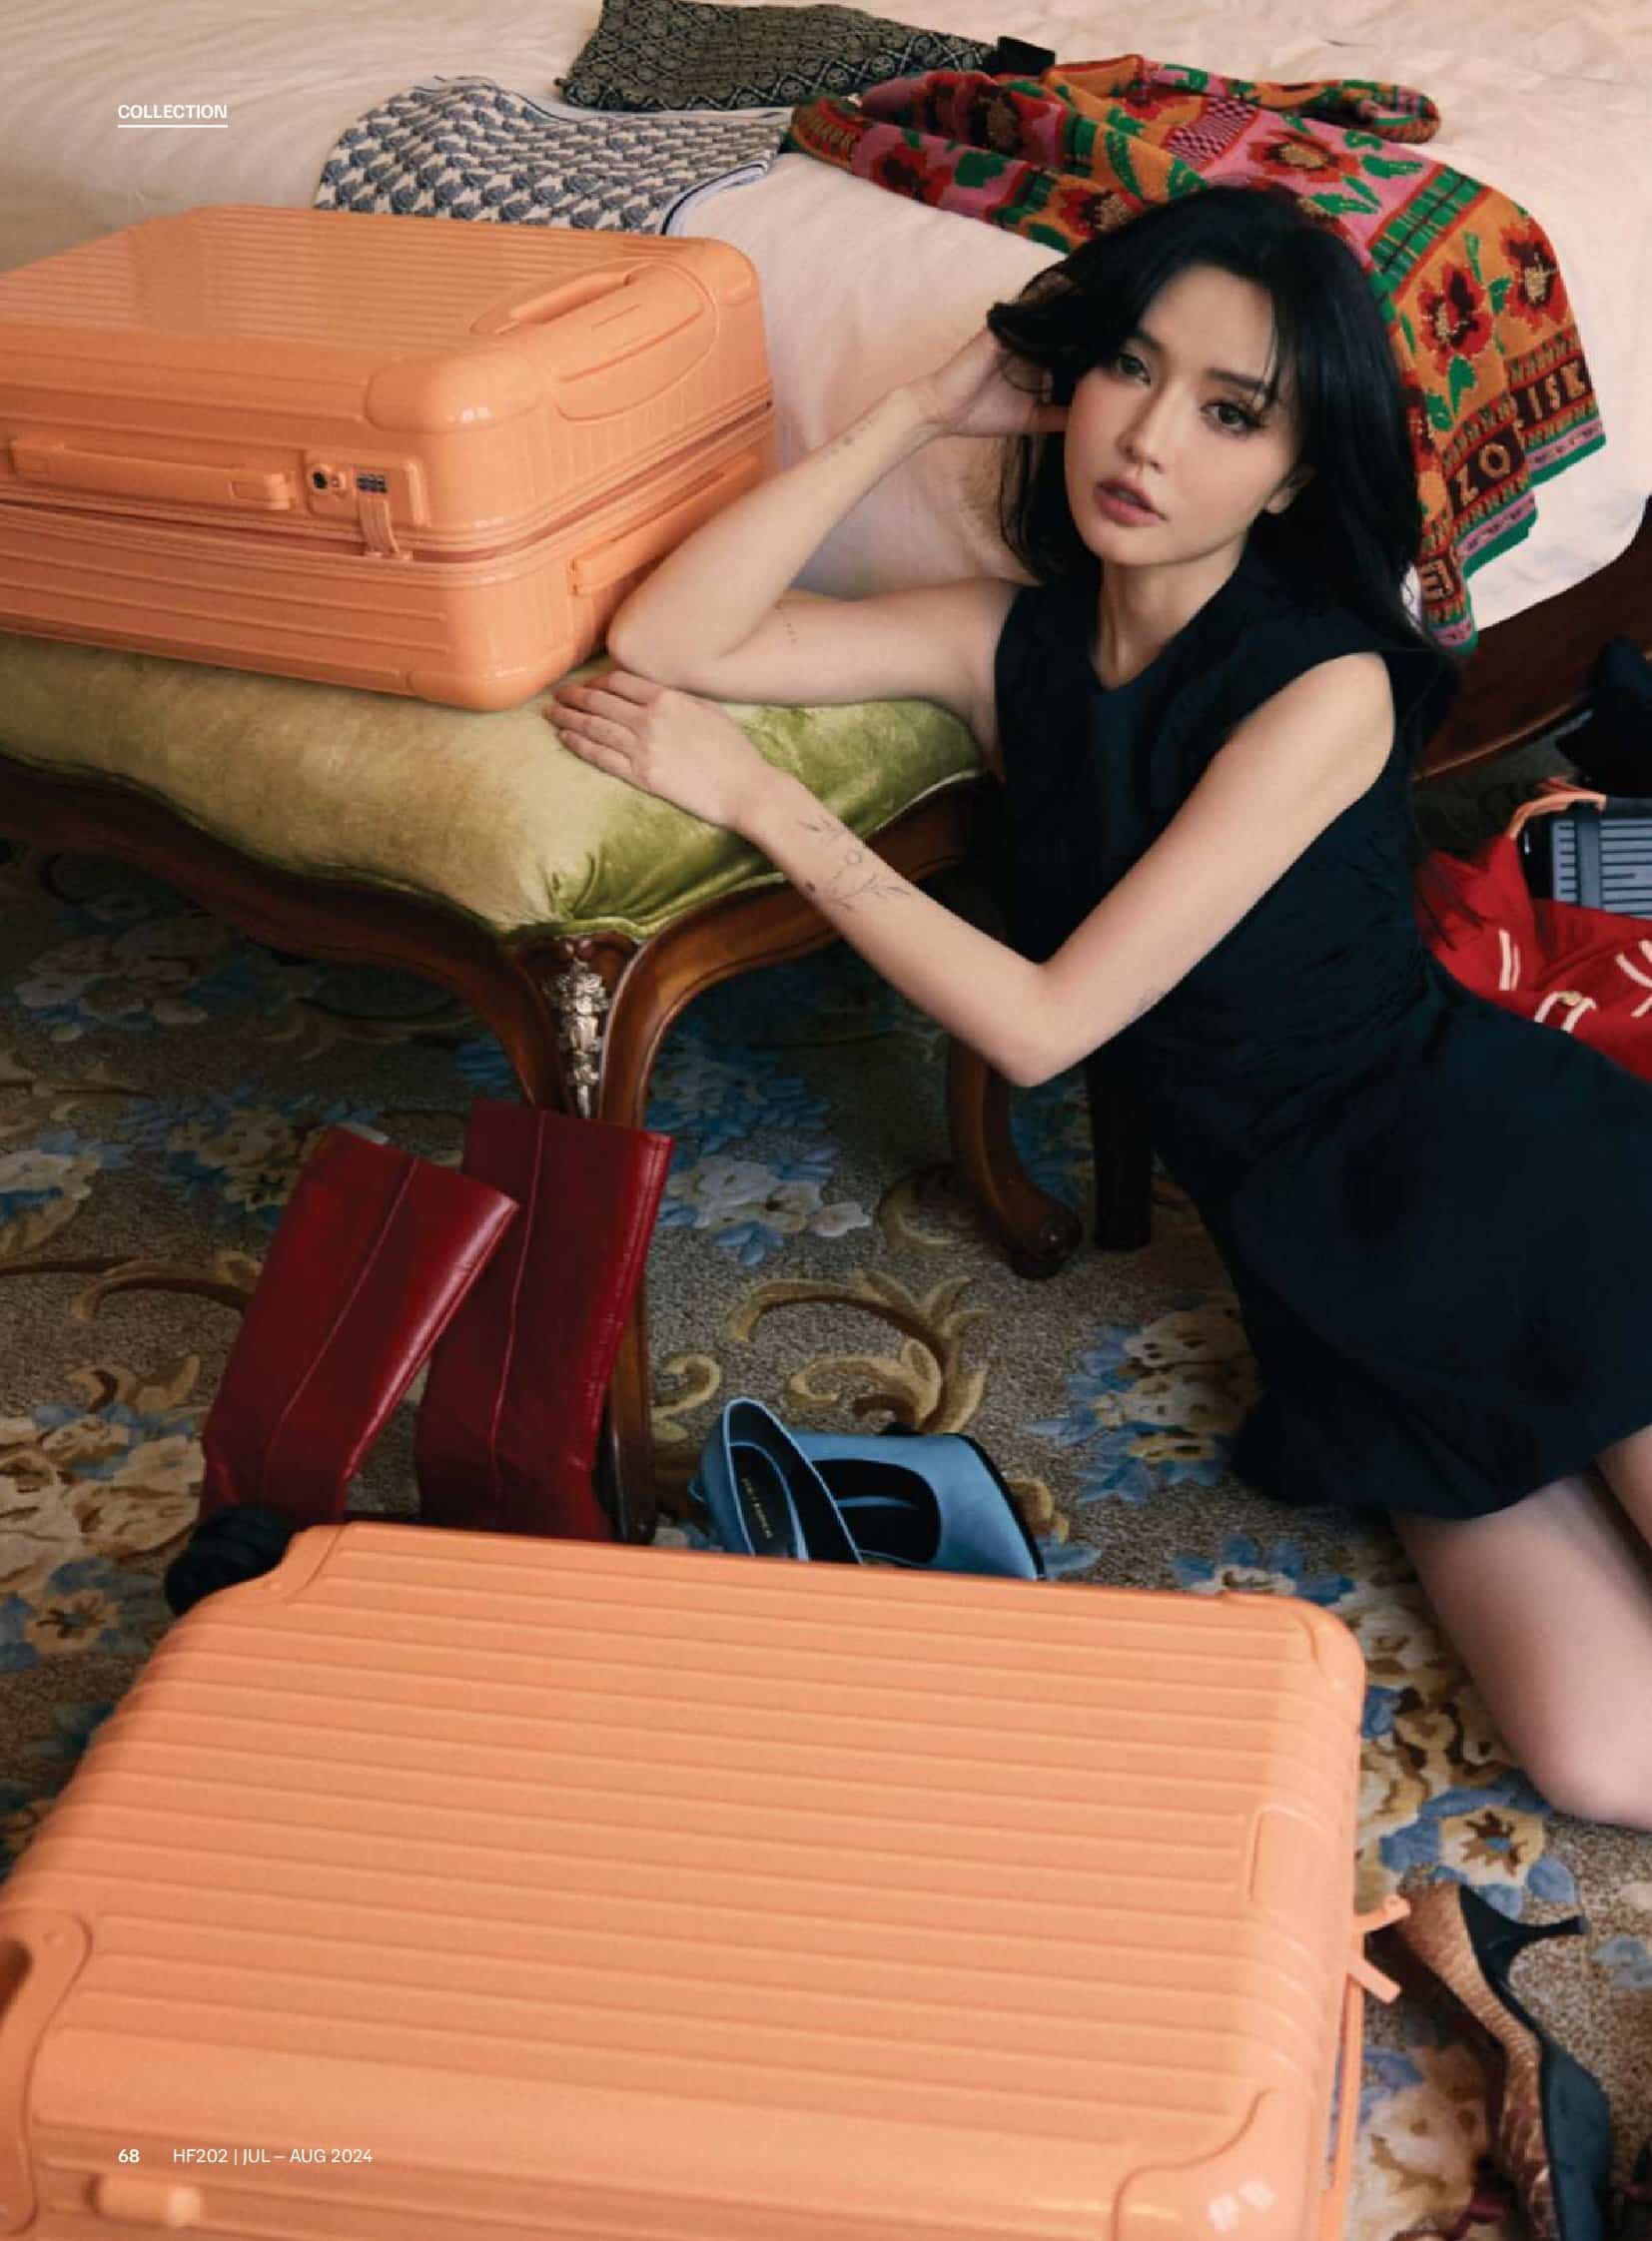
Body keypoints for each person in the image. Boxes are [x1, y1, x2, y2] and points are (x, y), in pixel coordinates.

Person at [544, 185, 1652, 1840]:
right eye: (1129, 369)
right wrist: (916, 412)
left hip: (1527, 1193)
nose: (1144, 439)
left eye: (1229, 414)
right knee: (1606, 1761)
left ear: (1295, 475)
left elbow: (1046, 1024)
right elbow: (667, 637)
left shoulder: (1324, 685)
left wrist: (770, 806)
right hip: (1334, 1276)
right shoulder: (1010, 643)